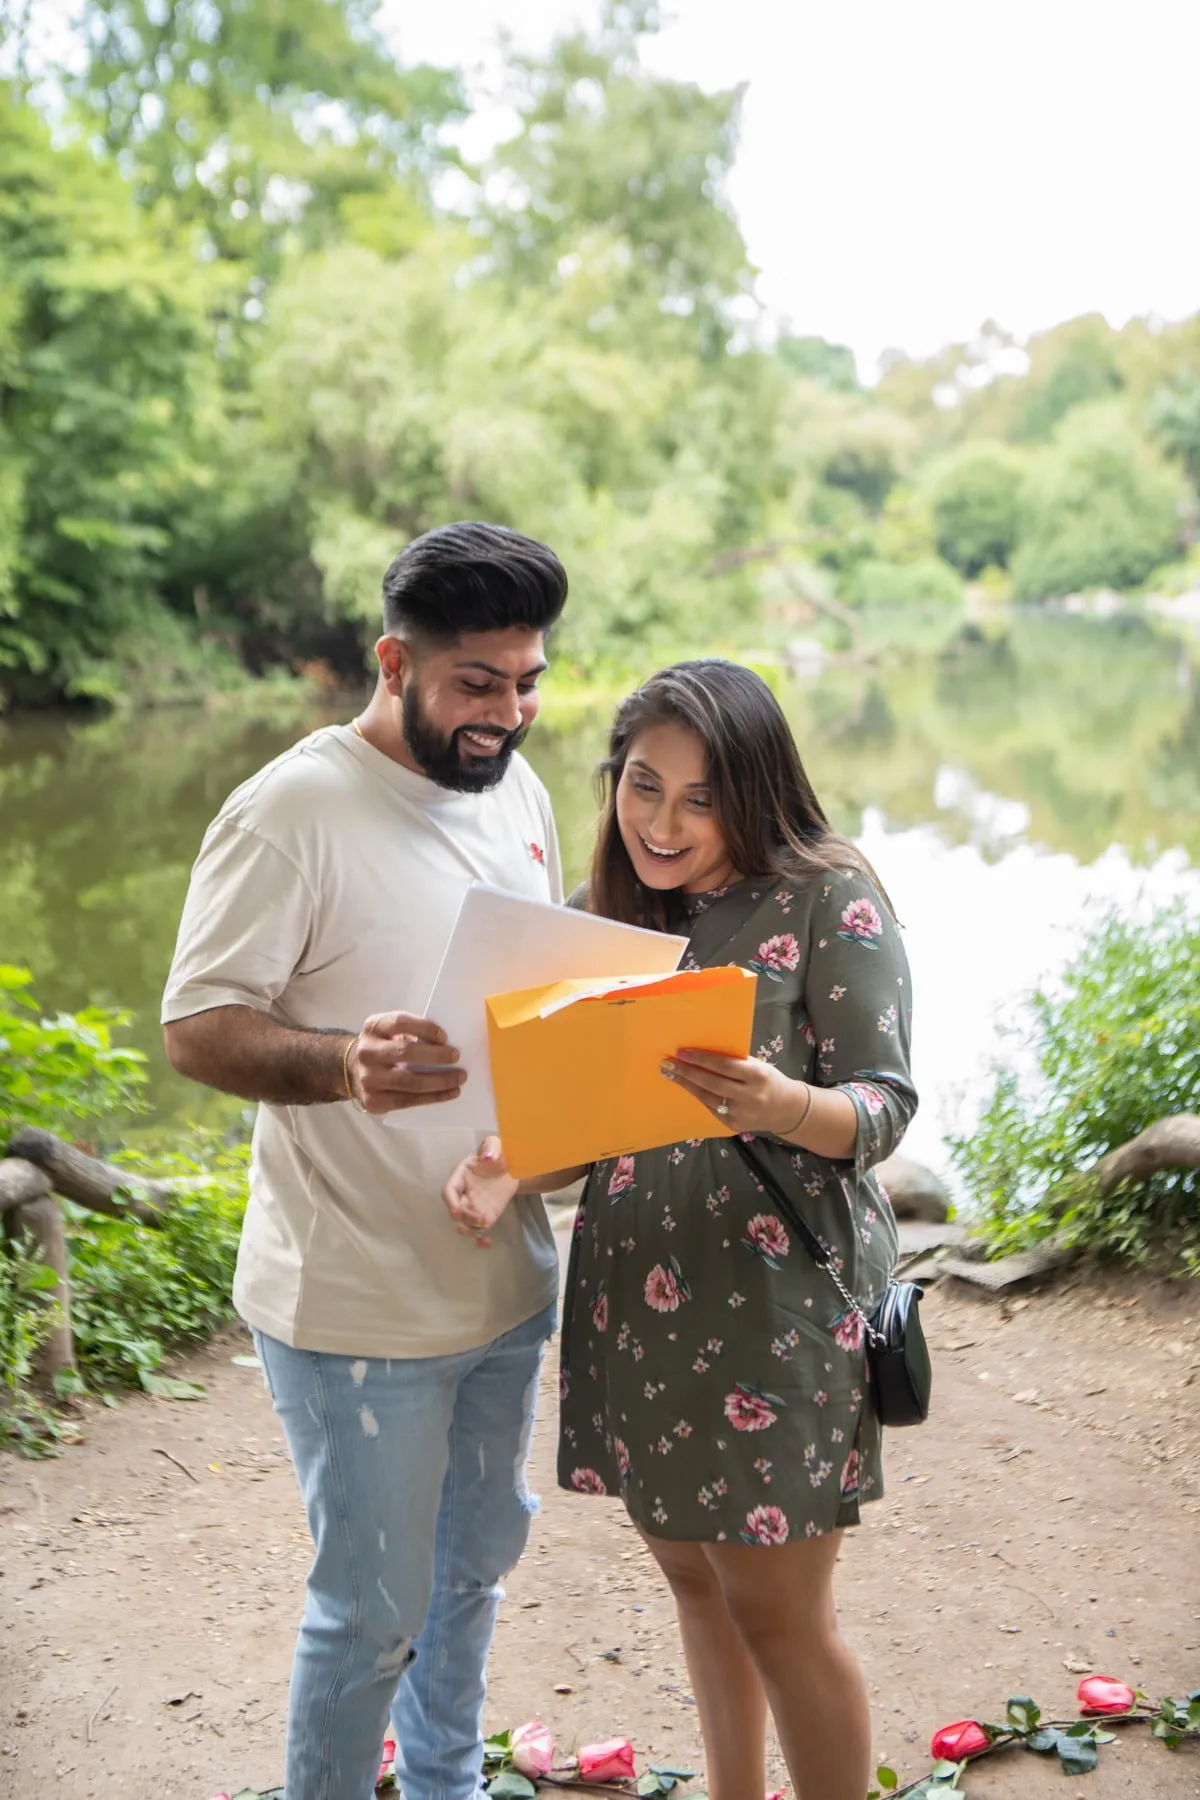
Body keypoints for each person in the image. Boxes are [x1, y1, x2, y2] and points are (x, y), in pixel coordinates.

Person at [443, 659, 917, 1800]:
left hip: (778, 1314)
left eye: (699, 798)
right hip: (638, 1301)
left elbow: (884, 1106)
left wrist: (779, 1103)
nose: (662, 821)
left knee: (780, 1612)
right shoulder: (611, 919)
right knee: (697, 1584)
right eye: (642, 786)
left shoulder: (830, 893)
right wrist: (516, 1171)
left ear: (754, 792)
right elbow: (588, 1133)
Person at [162, 522, 569, 1800]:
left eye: (528, 681)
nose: (506, 715)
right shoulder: (291, 809)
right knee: (372, 1610)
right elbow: (196, 1028)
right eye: (476, 684)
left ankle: (445, 1784)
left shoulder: (517, 787)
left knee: (473, 1572)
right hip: (355, 1306)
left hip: (505, 1280)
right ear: (394, 662)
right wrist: (344, 1063)